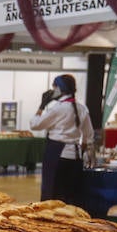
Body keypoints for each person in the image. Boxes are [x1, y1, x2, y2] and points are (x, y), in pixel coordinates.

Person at [30, 73, 93, 208]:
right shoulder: (82, 108)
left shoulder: (58, 108)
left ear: (59, 88)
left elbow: (34, 125)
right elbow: (88, 135)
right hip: (75, 156)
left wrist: (41, 106)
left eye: (54, 86)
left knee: (52, 193)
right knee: (72, 195)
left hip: (57, 153)